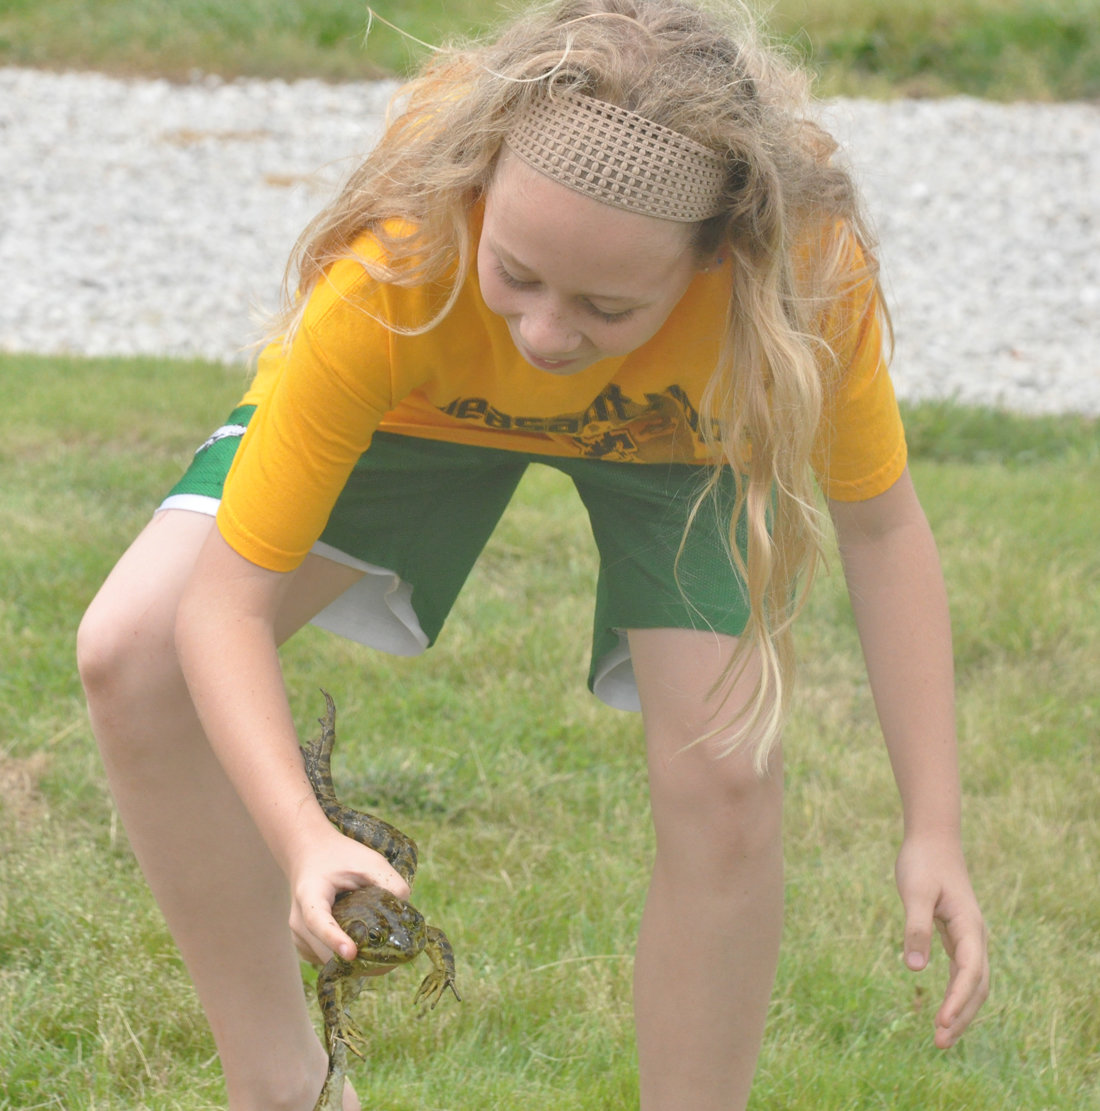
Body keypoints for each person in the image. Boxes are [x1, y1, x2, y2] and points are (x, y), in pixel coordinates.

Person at [76, 1, 989, 1108]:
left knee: (726, 779)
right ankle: (286, 1088)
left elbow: (882, 530)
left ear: (712, 257)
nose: (548, 334)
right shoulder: (402, 259)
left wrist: (931, 826)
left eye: (604, 301)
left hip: (669, 423)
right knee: (130, 649)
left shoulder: (793, 274)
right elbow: (217, 609)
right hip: (425, 394)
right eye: (519, 272)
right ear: (478, 196)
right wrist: (302, 836)